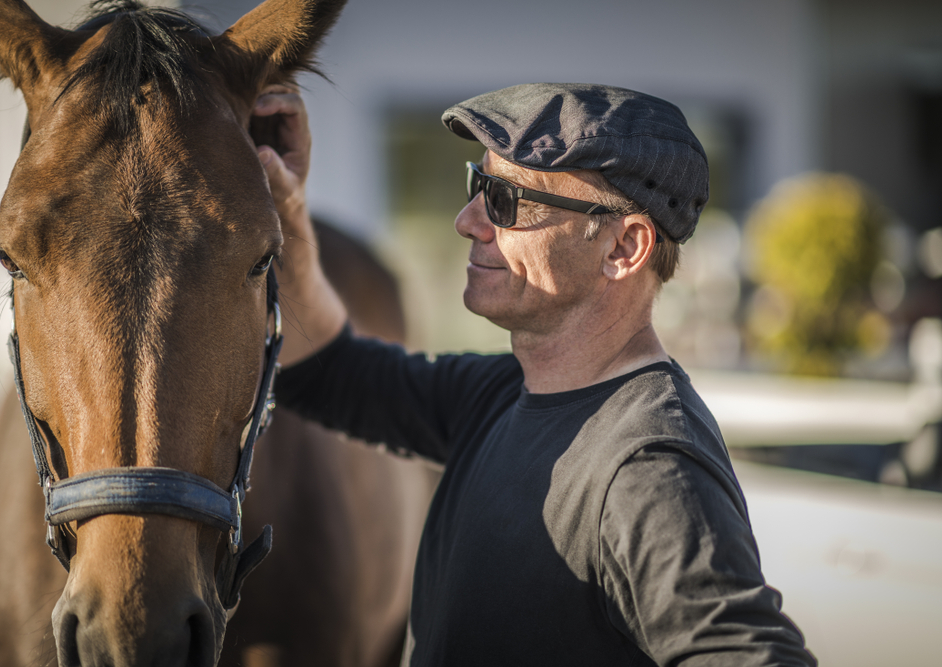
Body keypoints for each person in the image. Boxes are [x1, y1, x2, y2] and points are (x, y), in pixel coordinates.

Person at [253, 82, 816, 666]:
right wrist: (285, 201)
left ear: (624, 247)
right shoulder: (499, 393)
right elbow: (329, 371)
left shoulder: (647, 466)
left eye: (507, 201)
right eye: (479, 185)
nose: (468, 221)